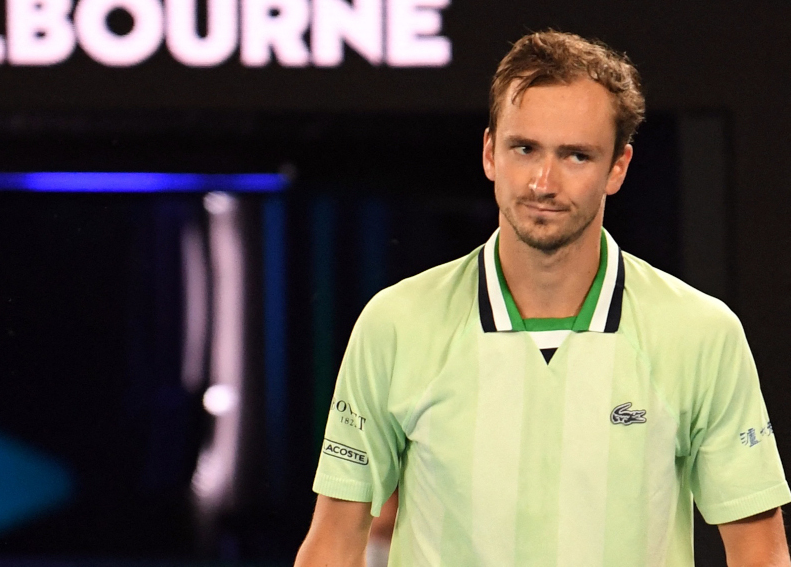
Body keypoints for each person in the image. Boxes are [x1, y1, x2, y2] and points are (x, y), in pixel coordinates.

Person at [294, 30, 791, 567]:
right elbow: (333, 545)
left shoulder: (700, 332)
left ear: (618, 167)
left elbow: (760, 553)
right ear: (490, 152)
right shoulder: (396, 323)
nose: (544, 181)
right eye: (524, 148)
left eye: (576, 155)